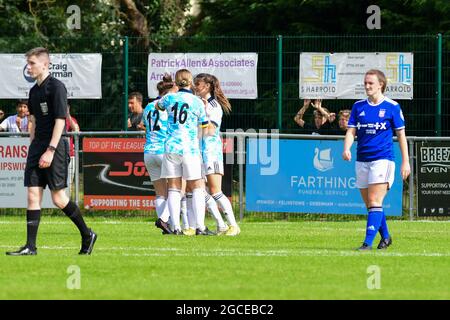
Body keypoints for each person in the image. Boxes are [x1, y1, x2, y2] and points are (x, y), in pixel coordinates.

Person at [6, 47, 97, 256]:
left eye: (32, 63)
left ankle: (87, 234)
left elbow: (60, 121)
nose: (28, 67)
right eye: (27, 63)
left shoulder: (57, 87)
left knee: (58, 198)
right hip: (38, 147)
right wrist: (33, 146)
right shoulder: (34, 91)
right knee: (32, 194)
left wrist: (50, 150)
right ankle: (30, 246)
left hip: (55, 147)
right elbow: (34, 121)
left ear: (45, 64)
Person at [342, 69, 410, 251]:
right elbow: (351, 131)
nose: (367, 86)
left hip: (383, 159)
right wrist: (347, 148)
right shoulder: (358, 106)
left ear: (381, 84)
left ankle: (367, 244)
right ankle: (386, 237)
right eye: (365, 83)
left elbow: (401, 135)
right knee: (371, 204)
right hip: (362, 159)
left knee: (374, 201)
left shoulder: (392, 107)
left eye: (370, 83)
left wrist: (406, 161)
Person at [156, 69, 214, 236]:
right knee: (197, 186)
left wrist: (172, 92)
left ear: (176, 82)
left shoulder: (169, 98)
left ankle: (175, 227)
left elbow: (159, 106)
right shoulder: (197, 102)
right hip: (190, 148)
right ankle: (200, 227)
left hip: (171, 147)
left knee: (173, 188)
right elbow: (205, 127)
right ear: (191, 82)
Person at [194, 73, 240, 236]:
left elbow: (210, 131)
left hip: (211, 153)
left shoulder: (213, 106)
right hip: (198, 154)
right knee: (199, 191)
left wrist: (194, 129)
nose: (194, 87)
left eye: (197, 84)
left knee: (215, 191)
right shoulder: (197, 104)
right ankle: (221, 225)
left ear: (206, 86)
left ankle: (234, 226)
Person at [142, 74, 176, 235]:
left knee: (160, 192)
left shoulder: (148, 106)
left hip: (149, 152)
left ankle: (165, 224)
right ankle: (164, 219)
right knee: (176, 189)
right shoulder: (169, 106)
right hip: (164, 151)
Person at [65, 104, 79, 187]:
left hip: (70, 154)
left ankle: (68, 199)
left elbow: (76, 130)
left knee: (69, 181)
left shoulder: (72, 120)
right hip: (57, 155)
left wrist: (68, 115)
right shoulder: (54, 119)